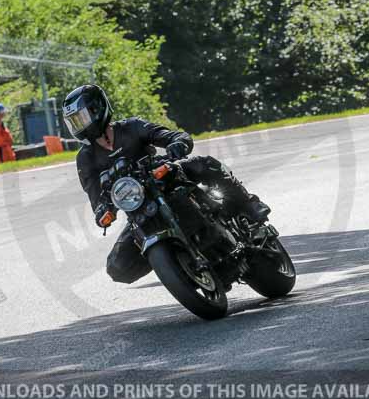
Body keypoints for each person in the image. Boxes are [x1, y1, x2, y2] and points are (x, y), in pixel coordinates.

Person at [63, 84, 270, 284]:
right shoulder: (85, 158)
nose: (79, 125)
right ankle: (176, 264)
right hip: (138, 206)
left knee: (204, 164)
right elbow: (95, 196)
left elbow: (173, 136)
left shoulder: (132, 127)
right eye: (74, 122)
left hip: (165, 177)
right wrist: (102, 212)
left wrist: (178, 144)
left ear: (97, 109)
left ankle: (249, 204)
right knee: (118, 266)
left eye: (82, 118)